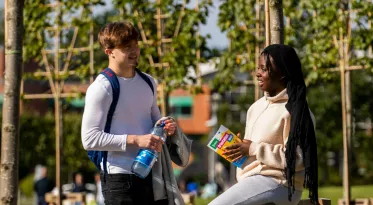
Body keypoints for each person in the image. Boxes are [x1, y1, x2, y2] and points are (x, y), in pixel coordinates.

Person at [81, 22, 191, 205]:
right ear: (109, 51)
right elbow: (89, 139)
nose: (134, 51)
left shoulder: (148, 81)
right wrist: (135, 140)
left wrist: (166, 126)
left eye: (135, 45)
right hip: (119, 178)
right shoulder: (101, 88)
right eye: (126, 47)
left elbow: (155, 119)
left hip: (153, 174)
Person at [209, 44, 319, 205]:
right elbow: (253, 151)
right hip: (251, 181)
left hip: (280, 184)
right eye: (258, 68)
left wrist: (253, 148)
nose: (257, 74)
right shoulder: (255, 108)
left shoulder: (297, 112)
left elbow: (298, 159)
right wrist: (240, 149)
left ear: (282, 74)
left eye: (264, 69)